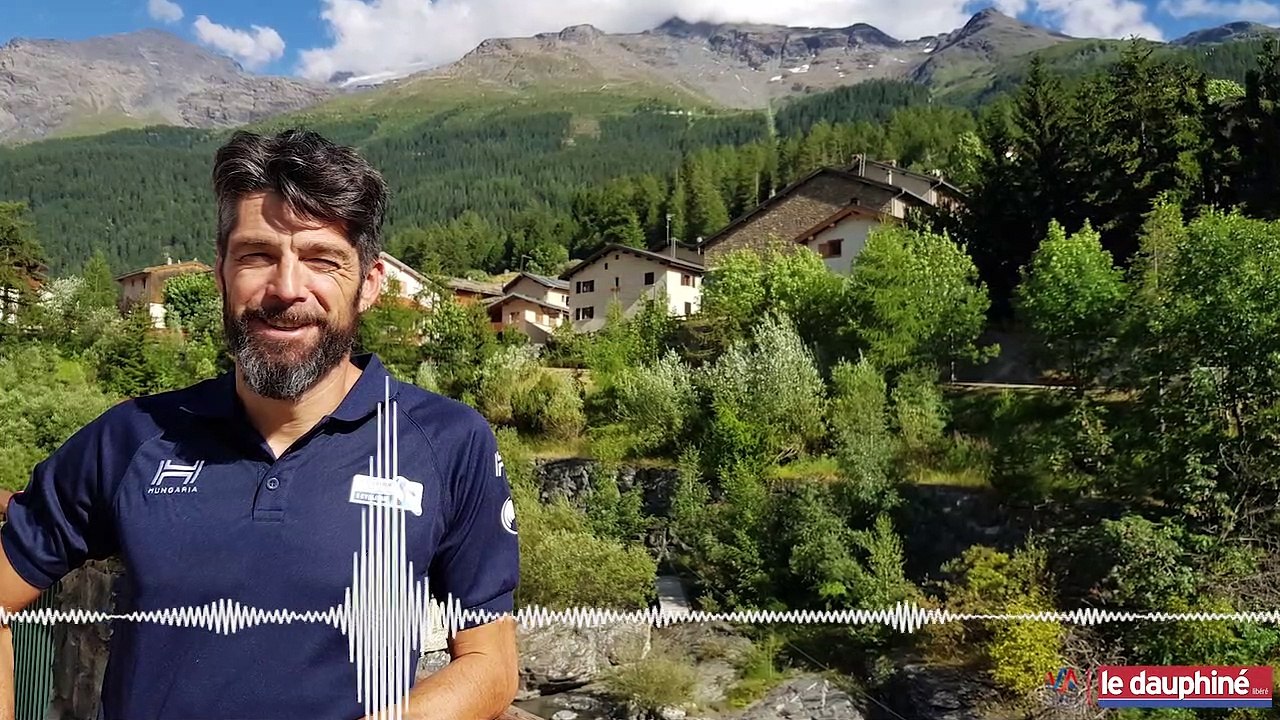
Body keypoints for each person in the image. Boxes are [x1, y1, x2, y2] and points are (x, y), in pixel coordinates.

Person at [0, 129, 520, 720]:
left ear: (369, 285)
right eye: (257, 255)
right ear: (221, 273)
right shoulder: (133, 437)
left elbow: (490, 662)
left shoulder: (447, 443)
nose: (287, 289)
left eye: (323, 260)